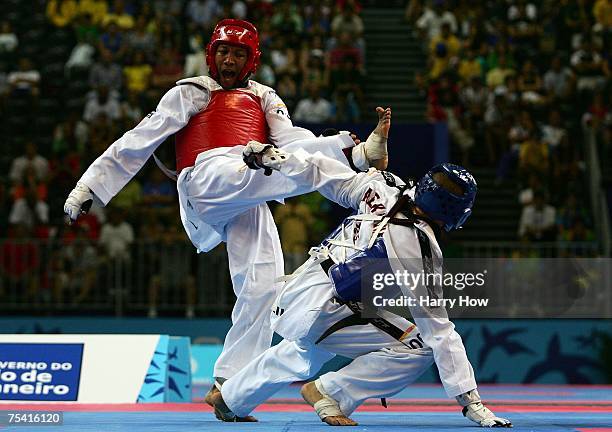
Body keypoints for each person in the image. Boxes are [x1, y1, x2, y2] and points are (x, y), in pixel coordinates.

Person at [63, 19, 389, 419]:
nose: (228, 59)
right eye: (223, 51)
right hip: (206, 180)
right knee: (253, 162)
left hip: (251, 189)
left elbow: (295, 144)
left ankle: (229, 387)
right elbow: (140, 138)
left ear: (251, 60)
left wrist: (333, 147)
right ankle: (345, 163)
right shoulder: (192, 91)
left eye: (237, 53)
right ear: (210, 54)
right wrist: (88, 188)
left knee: (263, 288)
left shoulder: (266, 97)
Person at [206, 142, 512, 428]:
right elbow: (438, 329)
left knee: (309, 348)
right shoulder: (418, 246)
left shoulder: (383, 186)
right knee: (418, 347)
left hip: (297, 293)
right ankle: (331, 392)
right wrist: (471, 401)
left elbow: (320, 170)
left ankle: (232, 398)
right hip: (326, 308)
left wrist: (276, 158)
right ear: (458, 214)